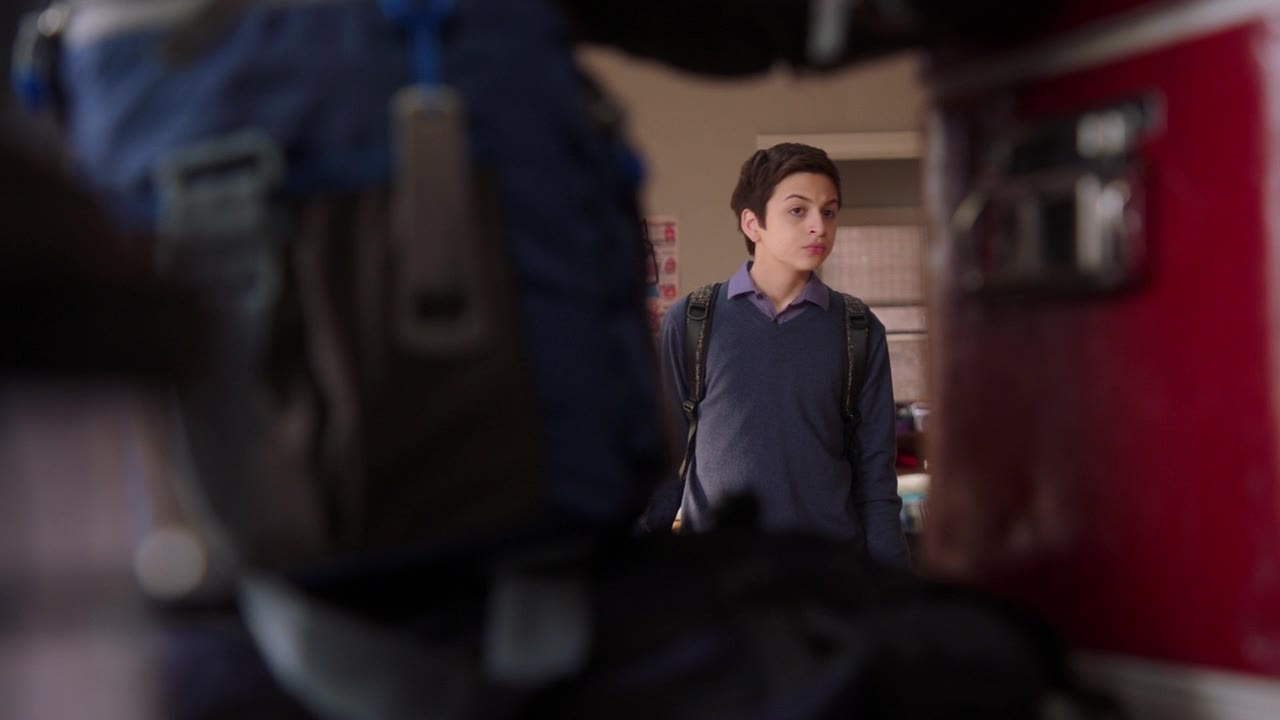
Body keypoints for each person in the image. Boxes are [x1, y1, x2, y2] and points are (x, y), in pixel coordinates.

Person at [644, 143, 910, 570]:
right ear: (753, 224)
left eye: (829, 212)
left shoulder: (858, 329)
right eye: (797, 210)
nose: (819, 227)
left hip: (829, 575)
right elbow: (661, 465)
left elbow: (876, 480)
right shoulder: (693, 321)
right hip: (719, 576)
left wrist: (896, 586)